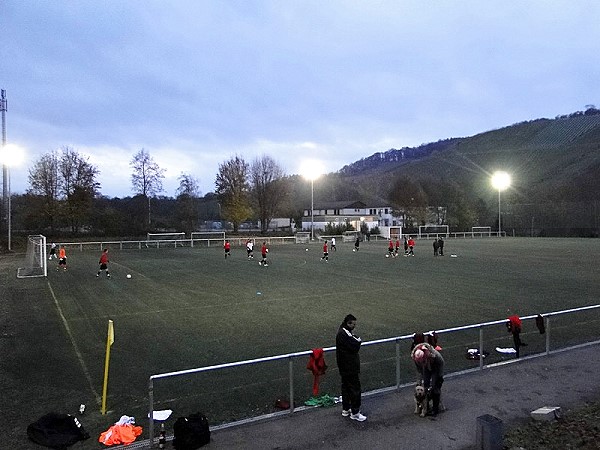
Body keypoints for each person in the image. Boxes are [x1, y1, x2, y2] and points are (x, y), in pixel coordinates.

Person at [336, 314, 367, 421]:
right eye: (353, 324)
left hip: (344, 366)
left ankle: (346, 408)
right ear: (348, 323)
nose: (354, 326)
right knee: (354, 388)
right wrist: (358, 339)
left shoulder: (342, 331)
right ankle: (355, 412)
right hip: (349, 366)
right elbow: (355, 344)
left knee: (346, 387)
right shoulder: (344, 333)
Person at [411, 342, 444, 416]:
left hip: (436, 368)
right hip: (426, 367)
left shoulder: (435, 355)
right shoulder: (416, 357)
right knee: (425, 385)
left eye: (421, 361)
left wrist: (440, 376)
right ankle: (426, 406)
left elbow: (441, 363)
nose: (420, 362)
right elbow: (419, 370)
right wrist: (418, 381)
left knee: (435, 387)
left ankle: (435, 408)